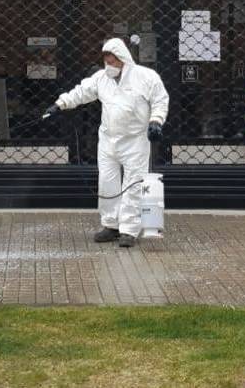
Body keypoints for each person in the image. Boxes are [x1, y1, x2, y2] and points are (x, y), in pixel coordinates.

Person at [44, 38, 168, 248]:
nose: (109, 66)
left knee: (133, 183)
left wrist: (156, 121)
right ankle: (111, 224)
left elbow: (160, 100)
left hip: (135, 140)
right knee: (107, 182)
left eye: (112, 62)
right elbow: (82, 92)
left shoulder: (146, 77)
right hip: (109, 140)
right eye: (106, 62)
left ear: (123, 59)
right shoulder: (101, 78)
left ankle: (128, 229)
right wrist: (60, 104)